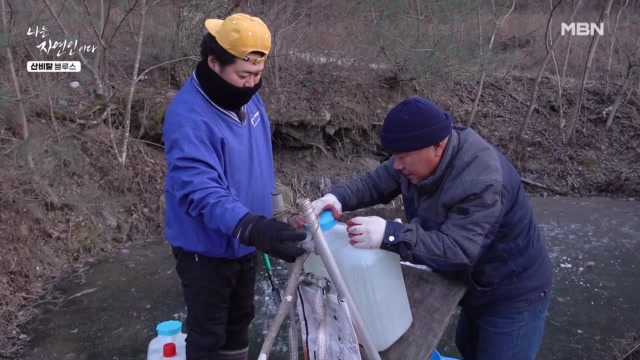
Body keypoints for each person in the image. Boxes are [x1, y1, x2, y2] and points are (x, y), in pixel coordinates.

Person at [311, 96, 553, 360]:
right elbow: (374, 184)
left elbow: (458, 251)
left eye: (403, 157)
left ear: (438, 146)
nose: (397, 165)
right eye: (394, 156)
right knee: (470, 350)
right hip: (473, 288)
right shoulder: (413, 156)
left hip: (513, 295)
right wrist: (337, 198)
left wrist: (389, 234)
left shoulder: (484, 181)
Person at [162, 13, 306, 360]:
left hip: (246, 240)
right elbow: (201, 191)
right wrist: (253, 227)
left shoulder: (248, 97)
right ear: (214, 63)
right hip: (206, 250)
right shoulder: (188, 118)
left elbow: (257, 161)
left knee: (240, 321)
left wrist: (276, 215)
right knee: (209, 334)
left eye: (258, 75)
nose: (252, 83)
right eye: (244, 75)